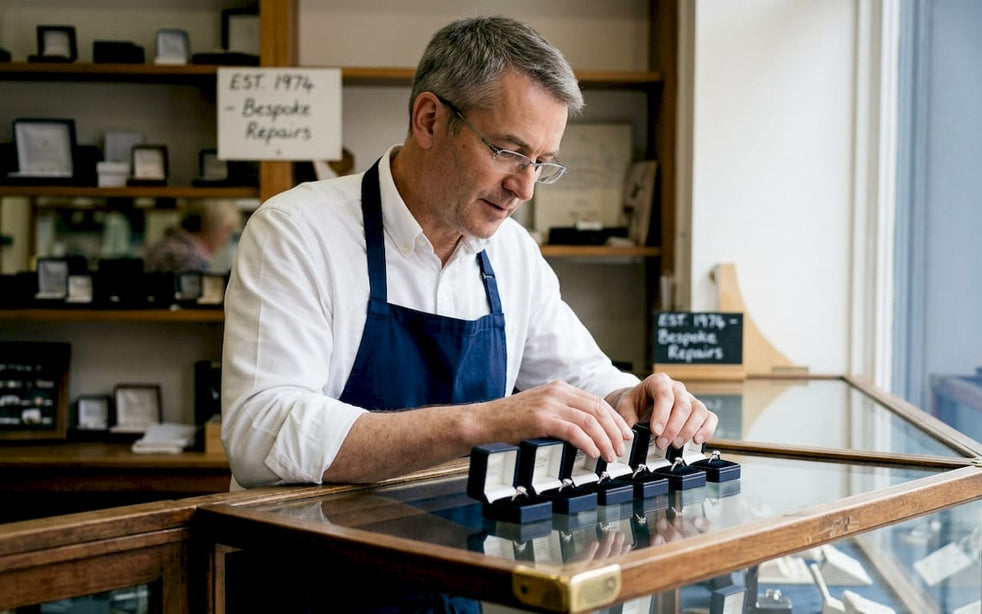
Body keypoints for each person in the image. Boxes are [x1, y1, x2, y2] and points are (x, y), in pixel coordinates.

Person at [220, 16, 718, 489]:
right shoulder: (297, 231)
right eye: (509, 151)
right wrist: (479, 423)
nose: (524, 188)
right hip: (317, 562)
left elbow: (582, 375)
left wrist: (631, 398)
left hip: (465, 558)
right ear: (430, 120)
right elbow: (261, 431)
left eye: (542, 163)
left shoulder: (513, 253)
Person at [143, 200, 241, 273]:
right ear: (210, 227)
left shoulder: (167, 245)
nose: (226, 239)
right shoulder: (188, 258)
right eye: (226, 231)